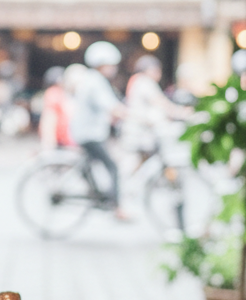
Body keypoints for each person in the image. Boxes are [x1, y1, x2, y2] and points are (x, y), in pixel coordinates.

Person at [70, 41, 128, 218]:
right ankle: (116, 207)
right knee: (113, 166)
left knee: (91, 165)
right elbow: (111, 106)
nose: (114, 69)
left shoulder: (92, 79)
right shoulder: (95, 81)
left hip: (87, 132)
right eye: (111, 65)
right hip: (90, 134)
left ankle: (98, 195)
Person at [121, 54, 189, 159]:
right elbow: (161, 103)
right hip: (140, 133)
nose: (159, 74)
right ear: (150, 70)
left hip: (136, 130)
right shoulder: (145, 82)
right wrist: (182, 113)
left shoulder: (137, 81)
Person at [38, 65, 73, 150]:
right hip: (59, 141)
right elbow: (49, 117)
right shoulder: (53, 93)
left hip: (64, 140)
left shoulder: (59, 93)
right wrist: (49, 140)